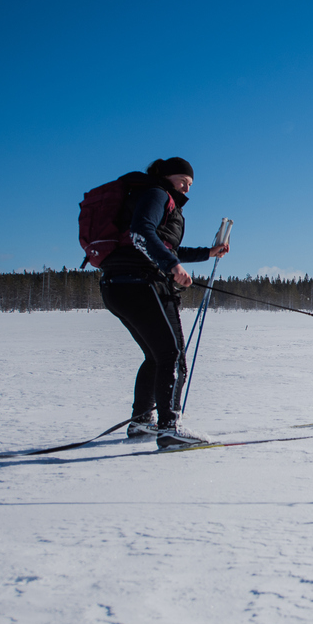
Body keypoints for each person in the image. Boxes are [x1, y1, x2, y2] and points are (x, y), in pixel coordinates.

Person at [98, 157, 229, 448]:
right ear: (167, 176)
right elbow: (142, 233)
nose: (187, 187)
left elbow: (163, 243)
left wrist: (207, 253)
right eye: (183, 180)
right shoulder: (157, 194)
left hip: (118, 285)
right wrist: (172, 266)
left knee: (156, 356)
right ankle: (169, 427)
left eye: (190, 184)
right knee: (172, 355)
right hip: (141, 284)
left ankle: (142, 422)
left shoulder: (153, 195)